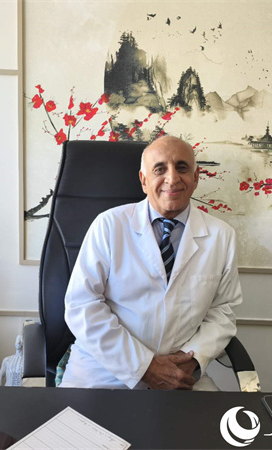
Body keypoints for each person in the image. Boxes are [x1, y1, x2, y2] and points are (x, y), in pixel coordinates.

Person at [59, 135, 243, 390]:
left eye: (182, 168)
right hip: (102, 372)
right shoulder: (109, 225)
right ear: (144, 180)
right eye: (159, 169)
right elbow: (82, 304)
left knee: (215, 417)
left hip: (181, 373)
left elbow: (223, 310)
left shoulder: (221, 236)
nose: (172, 178)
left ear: (196, 177)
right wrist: (144, 366)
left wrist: (192, 359)